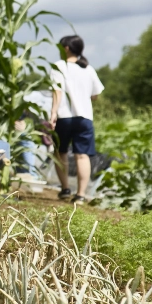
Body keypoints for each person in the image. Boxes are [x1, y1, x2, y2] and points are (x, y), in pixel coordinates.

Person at [49, 34, 104, 203]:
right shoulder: (88, 69)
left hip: (64, 116)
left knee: (61, 152)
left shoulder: (59, 66)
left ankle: (65, 188)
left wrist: (53, 114)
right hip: (84, 117)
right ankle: (80, 194)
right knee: (82, 155)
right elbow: (96, 95)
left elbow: (57, 92)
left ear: (66, 48)